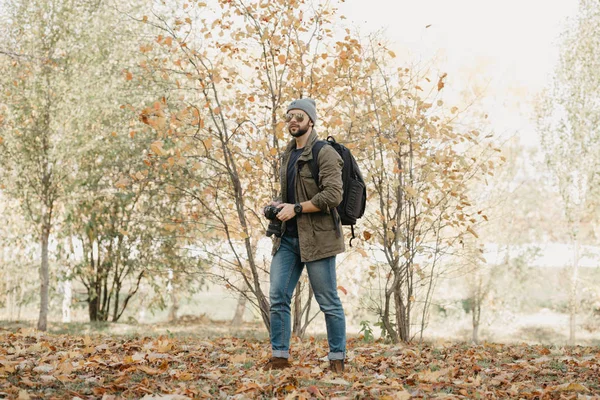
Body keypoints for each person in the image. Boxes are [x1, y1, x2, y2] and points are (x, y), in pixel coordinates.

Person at [263, 98, 346, 373]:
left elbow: (333, 195)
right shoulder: (288, 154)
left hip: (319, 239)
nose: (293, 121)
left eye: (299, 116)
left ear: (311, 120)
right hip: (288, 238)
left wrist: (296, 209)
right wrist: (278, 205)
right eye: (289, 117)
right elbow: (290, 196)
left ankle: (337, 359)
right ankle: (279, 358)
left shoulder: (325, 153)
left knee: (328, 301)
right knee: (277, 296)